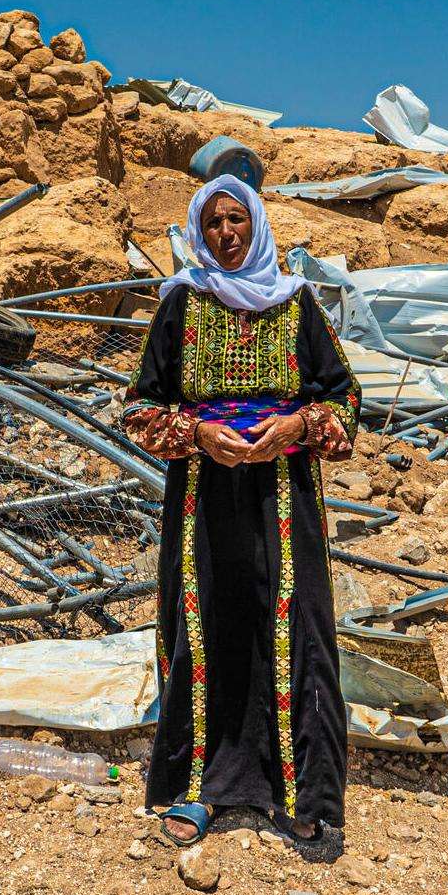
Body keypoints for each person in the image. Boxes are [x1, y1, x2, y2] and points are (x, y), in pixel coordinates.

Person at [122, 175, 360, 846]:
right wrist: (197, 435)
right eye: (214, 223)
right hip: (203, 496)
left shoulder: (299, 305)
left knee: (293, 631)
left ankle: (298, 793)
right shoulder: (179, 305)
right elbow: (140, 406)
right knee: (203, 627)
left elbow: (346, 401)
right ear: (201, 232)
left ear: (257, 225)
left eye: (237, 221)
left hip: (284, 495)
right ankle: (197, 789)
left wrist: (298, 425)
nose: (226, 234)